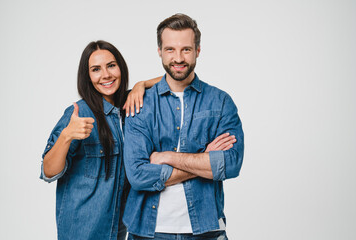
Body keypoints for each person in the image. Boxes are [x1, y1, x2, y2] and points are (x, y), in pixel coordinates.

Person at [123, 14, 244, 240]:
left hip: (206, 231)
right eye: (170, 49)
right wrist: (204, 159)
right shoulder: (139, 104)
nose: (178, 58)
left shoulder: (221, 102)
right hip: (148, 233)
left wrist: (166, 156)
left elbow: (230, 164)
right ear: (159, 51)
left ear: (198, 50)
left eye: (186, 49)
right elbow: (138, 175)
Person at [39, 40, 161, 240]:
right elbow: (48, 171)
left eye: (111, 65)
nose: (106, 75)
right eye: (96, 69)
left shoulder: (131, 106)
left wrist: (142, 85)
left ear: (121, 67)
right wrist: (67, 135)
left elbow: (178, 78)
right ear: (87, 77)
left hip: (118, 229)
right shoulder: (79, 114)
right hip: (82, 231)